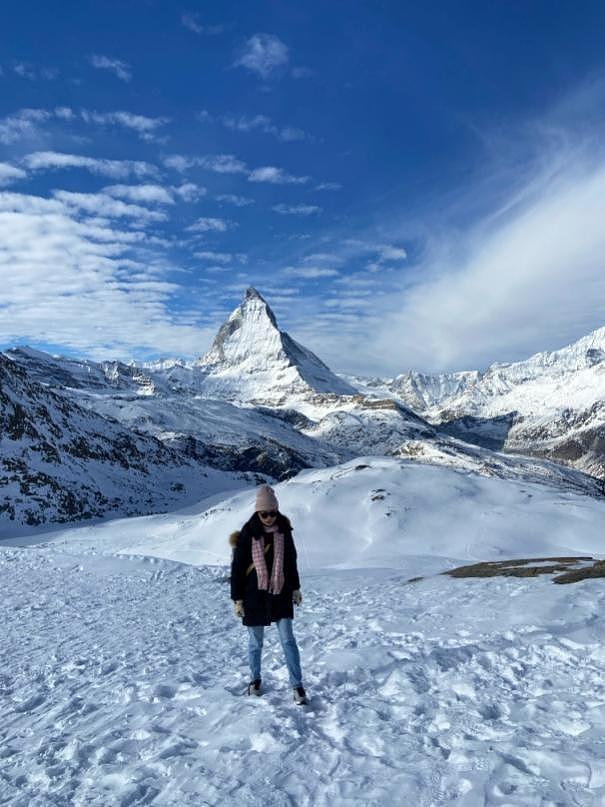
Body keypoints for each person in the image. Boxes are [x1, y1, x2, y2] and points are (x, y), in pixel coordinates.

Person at [230, 484, 307, 705]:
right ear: (257, 512)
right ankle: (255, 680)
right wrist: (237, 599)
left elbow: (290, 562)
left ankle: (297, 686)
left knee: (288, 641)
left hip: (281, 593)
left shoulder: (284, 531)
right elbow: (237, 568)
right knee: (255, 642)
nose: (270, 518)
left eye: (273, 513)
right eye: (265, 513)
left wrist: (295, 587)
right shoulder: (248, 533)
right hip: (254, 595)